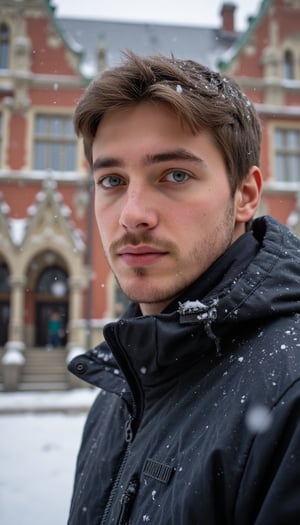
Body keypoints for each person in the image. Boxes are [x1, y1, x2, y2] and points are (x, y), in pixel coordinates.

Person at [67, 52, 300, 525]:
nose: (132, 213)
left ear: (245, 195)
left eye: (175, 175)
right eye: (111, 179)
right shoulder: (118, 391)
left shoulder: (291, 396)